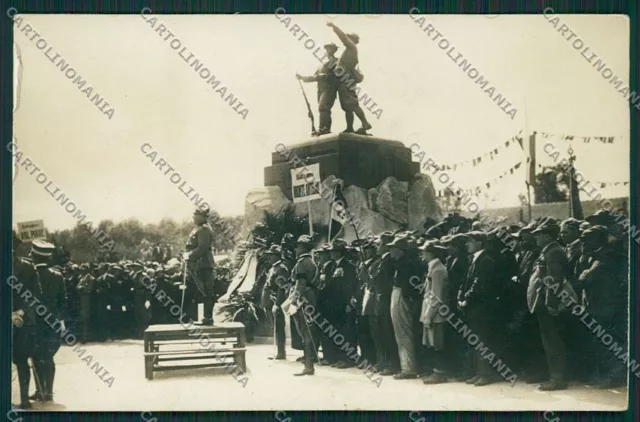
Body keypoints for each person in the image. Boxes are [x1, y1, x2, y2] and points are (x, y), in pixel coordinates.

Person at [527, 219, 577, 391]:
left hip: (548, 303)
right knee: (550, 340)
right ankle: (555, 376)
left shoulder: (553, 252)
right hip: (543, 302)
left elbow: (554, 280)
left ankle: (557, 379)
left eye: (539, 235)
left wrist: (551, 304)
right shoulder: (548, 251)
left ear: (548, 236)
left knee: (553, 341)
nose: (536, 238)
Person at [458, 231, 499, 386]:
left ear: (480, 243)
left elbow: (479, 284)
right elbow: (466, 282)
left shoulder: (485, 260)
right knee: (475, 339)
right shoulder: (475, 260)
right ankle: (479, 372)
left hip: (481, 308)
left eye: (470, 241)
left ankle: (485, 373)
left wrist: (466, 299)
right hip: (473, 307)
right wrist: (461, 296)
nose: (467, 244)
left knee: (482, 340)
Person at [30, 240, 67, 403]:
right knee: (49, 356)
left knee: (35, 355)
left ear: (33, 256)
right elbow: (62, 301)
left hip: (33, 322)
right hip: (52, 322)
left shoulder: (28, 274)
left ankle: (39, 390)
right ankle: (49, 392)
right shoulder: (58, 276)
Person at [12, 233, 43, 409]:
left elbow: (36, 294)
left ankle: (24, 399)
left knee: (22, 359)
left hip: (22, 321)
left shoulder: (27, 267)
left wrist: (22, 311)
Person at [326, 21, 372, 134]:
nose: (347, 38)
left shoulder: (351, 46)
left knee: (352, 103)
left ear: (353, 40)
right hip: (343, 78)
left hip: (346, 79)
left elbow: (343, 37)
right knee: (347, 105)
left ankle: (365, 123)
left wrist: (334, 27)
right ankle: (350, 127)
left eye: (349, 37)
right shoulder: (350, 49)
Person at [388, 236, 422, 380]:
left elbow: (408, 286)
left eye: (393, 248)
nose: (391, 251)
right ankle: (407, 366)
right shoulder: (400, 263)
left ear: (401, 250)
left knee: (403, 331)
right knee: (401, 332)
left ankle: (408, 368)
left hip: (401, 295)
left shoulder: (405, 264)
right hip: (398, 294)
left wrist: (407, 298)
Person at [418, 240, 450, 384]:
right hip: (431, 310)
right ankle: (435, 371)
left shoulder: (437, 270)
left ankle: (440, 373)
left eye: (424, 251)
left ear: (430, 253)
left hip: (436, 313)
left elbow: (436, 296)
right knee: (432, 343)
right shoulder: (433, 268)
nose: (422, 254)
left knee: (437, 343)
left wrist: (428, 316)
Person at [288, 235, 320, 376]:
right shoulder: (311, 262)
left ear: (302, 247)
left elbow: (300, 284)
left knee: (305, 331)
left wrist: (294, 300)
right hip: (310, 296)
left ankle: (308, 366)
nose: (296, 249)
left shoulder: (302, 263)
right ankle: (309, 363)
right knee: (308, 330)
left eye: (298, 246)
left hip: (303, 298)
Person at [328, 238, 359, 368]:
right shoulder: (331, 266)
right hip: (334, 304)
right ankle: (339, 357)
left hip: (344, 304)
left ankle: (349, 358)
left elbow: (351, 286)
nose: (331, 253)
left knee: (347, 332)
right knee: (337, 331)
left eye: (334, 251)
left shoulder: (349, 267)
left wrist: (349, 303)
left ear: (340, 252)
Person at [296, 43, 339, 136]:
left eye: (330, 49)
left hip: (329, 89)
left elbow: (330, 76)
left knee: (323, 107)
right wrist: (303, 78)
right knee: (322, 109)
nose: (328, 51)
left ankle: (326, 128)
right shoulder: (322, 64)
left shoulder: (336, 61)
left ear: (334, 51)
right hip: (320, 89)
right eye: (327, 49)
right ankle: (321, 128)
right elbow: (315, 76)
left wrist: (307, 78)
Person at [184, 206, 216, 325]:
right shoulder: (198, 229)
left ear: (202, 217)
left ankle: (208, 317)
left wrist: (190, 255)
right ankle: (204, 317)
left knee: (207, 291)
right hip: (197, 263)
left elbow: (202, 247)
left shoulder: (204, 230)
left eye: (196, 215)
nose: (193, 217)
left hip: (203, 263)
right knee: (202, 291)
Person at [263, 244, 290, 360]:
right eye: (269, 255)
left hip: (276, 301)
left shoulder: (281, 269)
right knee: (274, 326)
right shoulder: (272, 268)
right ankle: (276, 351)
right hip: (269, 301)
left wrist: (277, 304)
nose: (269, 258)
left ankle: (281, 352)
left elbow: (281, 288)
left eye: (272, 255)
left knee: (279, 327)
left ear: (277, 256)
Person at [76, 263, 95, 343]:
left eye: (83, 270)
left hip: (87, 299)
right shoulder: (81, 277)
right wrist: (80, 288)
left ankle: (85, 337)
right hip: (81, 299)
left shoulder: (91, 278)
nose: (81, 271)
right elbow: (77, 287)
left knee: (85, 318)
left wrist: (81, 288)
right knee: (81, 318)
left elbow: (88, 289)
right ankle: (82, 336)